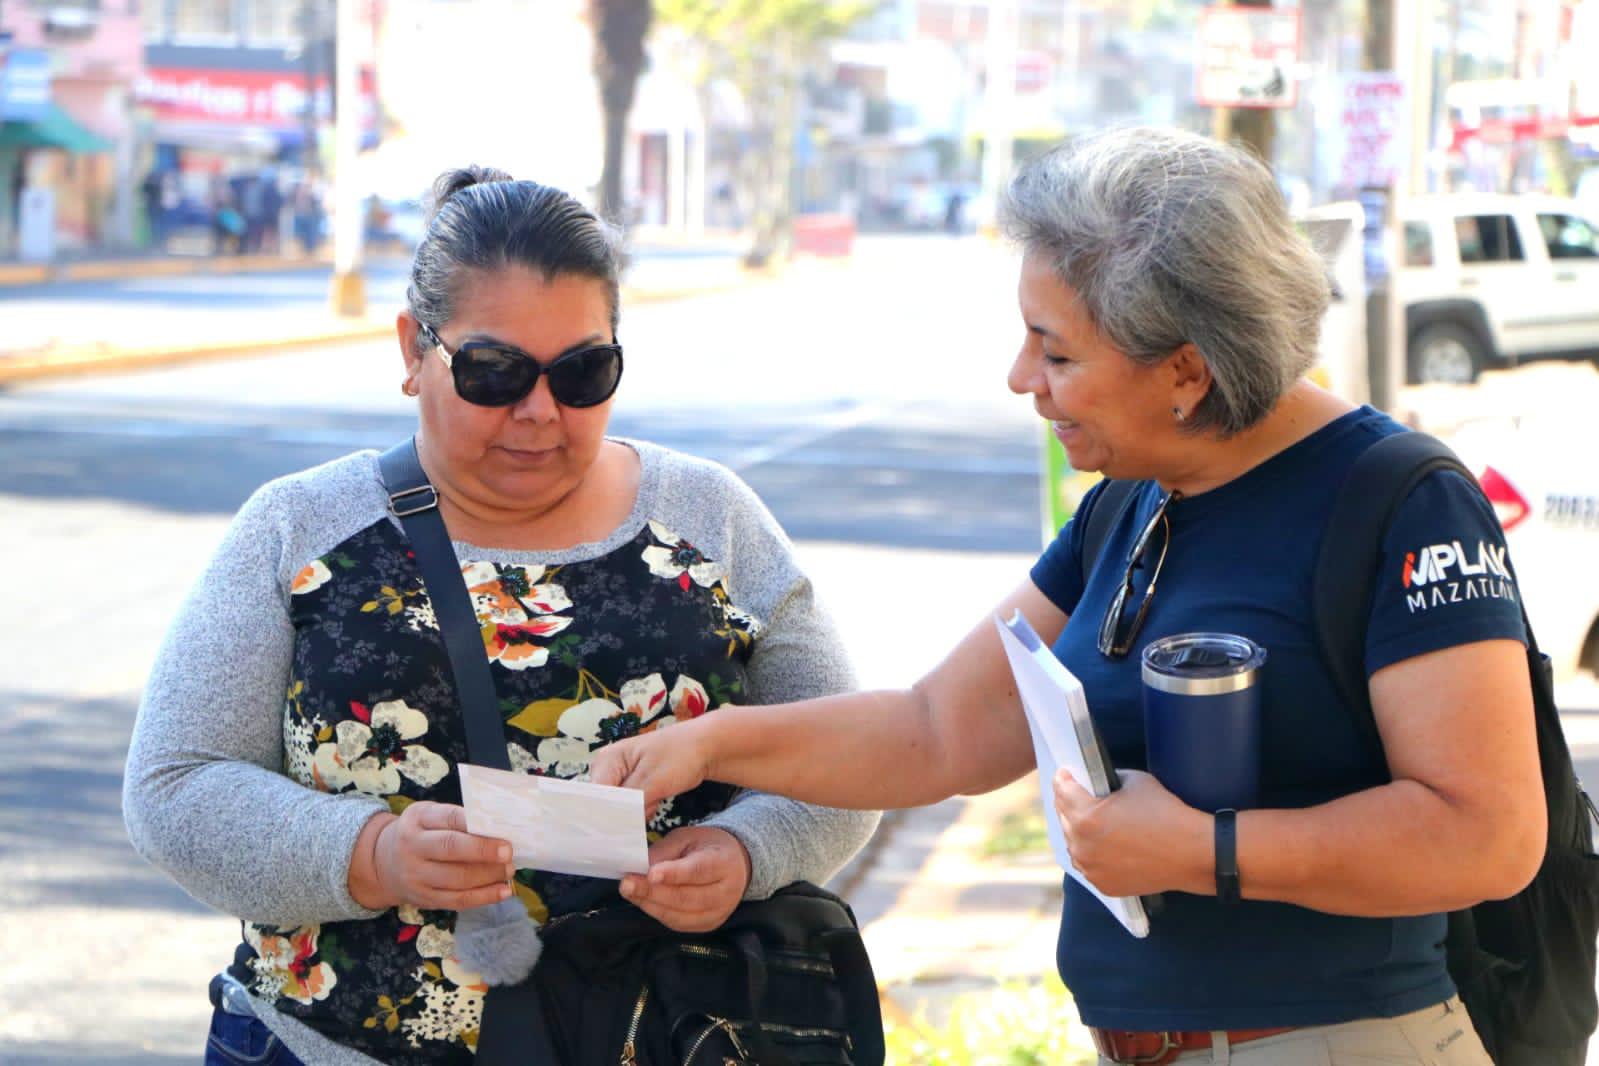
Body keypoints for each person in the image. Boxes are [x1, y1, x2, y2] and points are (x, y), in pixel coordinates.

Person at [592, 127, 1545, 1066]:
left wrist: (1205, 850)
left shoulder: (1397, 501)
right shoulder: (1133, 498)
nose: (1021, 381)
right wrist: (710, 743)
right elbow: (939, 728)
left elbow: (1488, 835)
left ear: (1185, 370)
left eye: (1055, 354)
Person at [123, 166, 878, 1065]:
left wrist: (744, 850)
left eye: (582, 372)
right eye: (494, 372)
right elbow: (176, 785)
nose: (539, 411)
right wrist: (370, 853)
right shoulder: (297, 527)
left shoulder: (710, 518)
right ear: (413, 352)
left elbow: (843, 759)